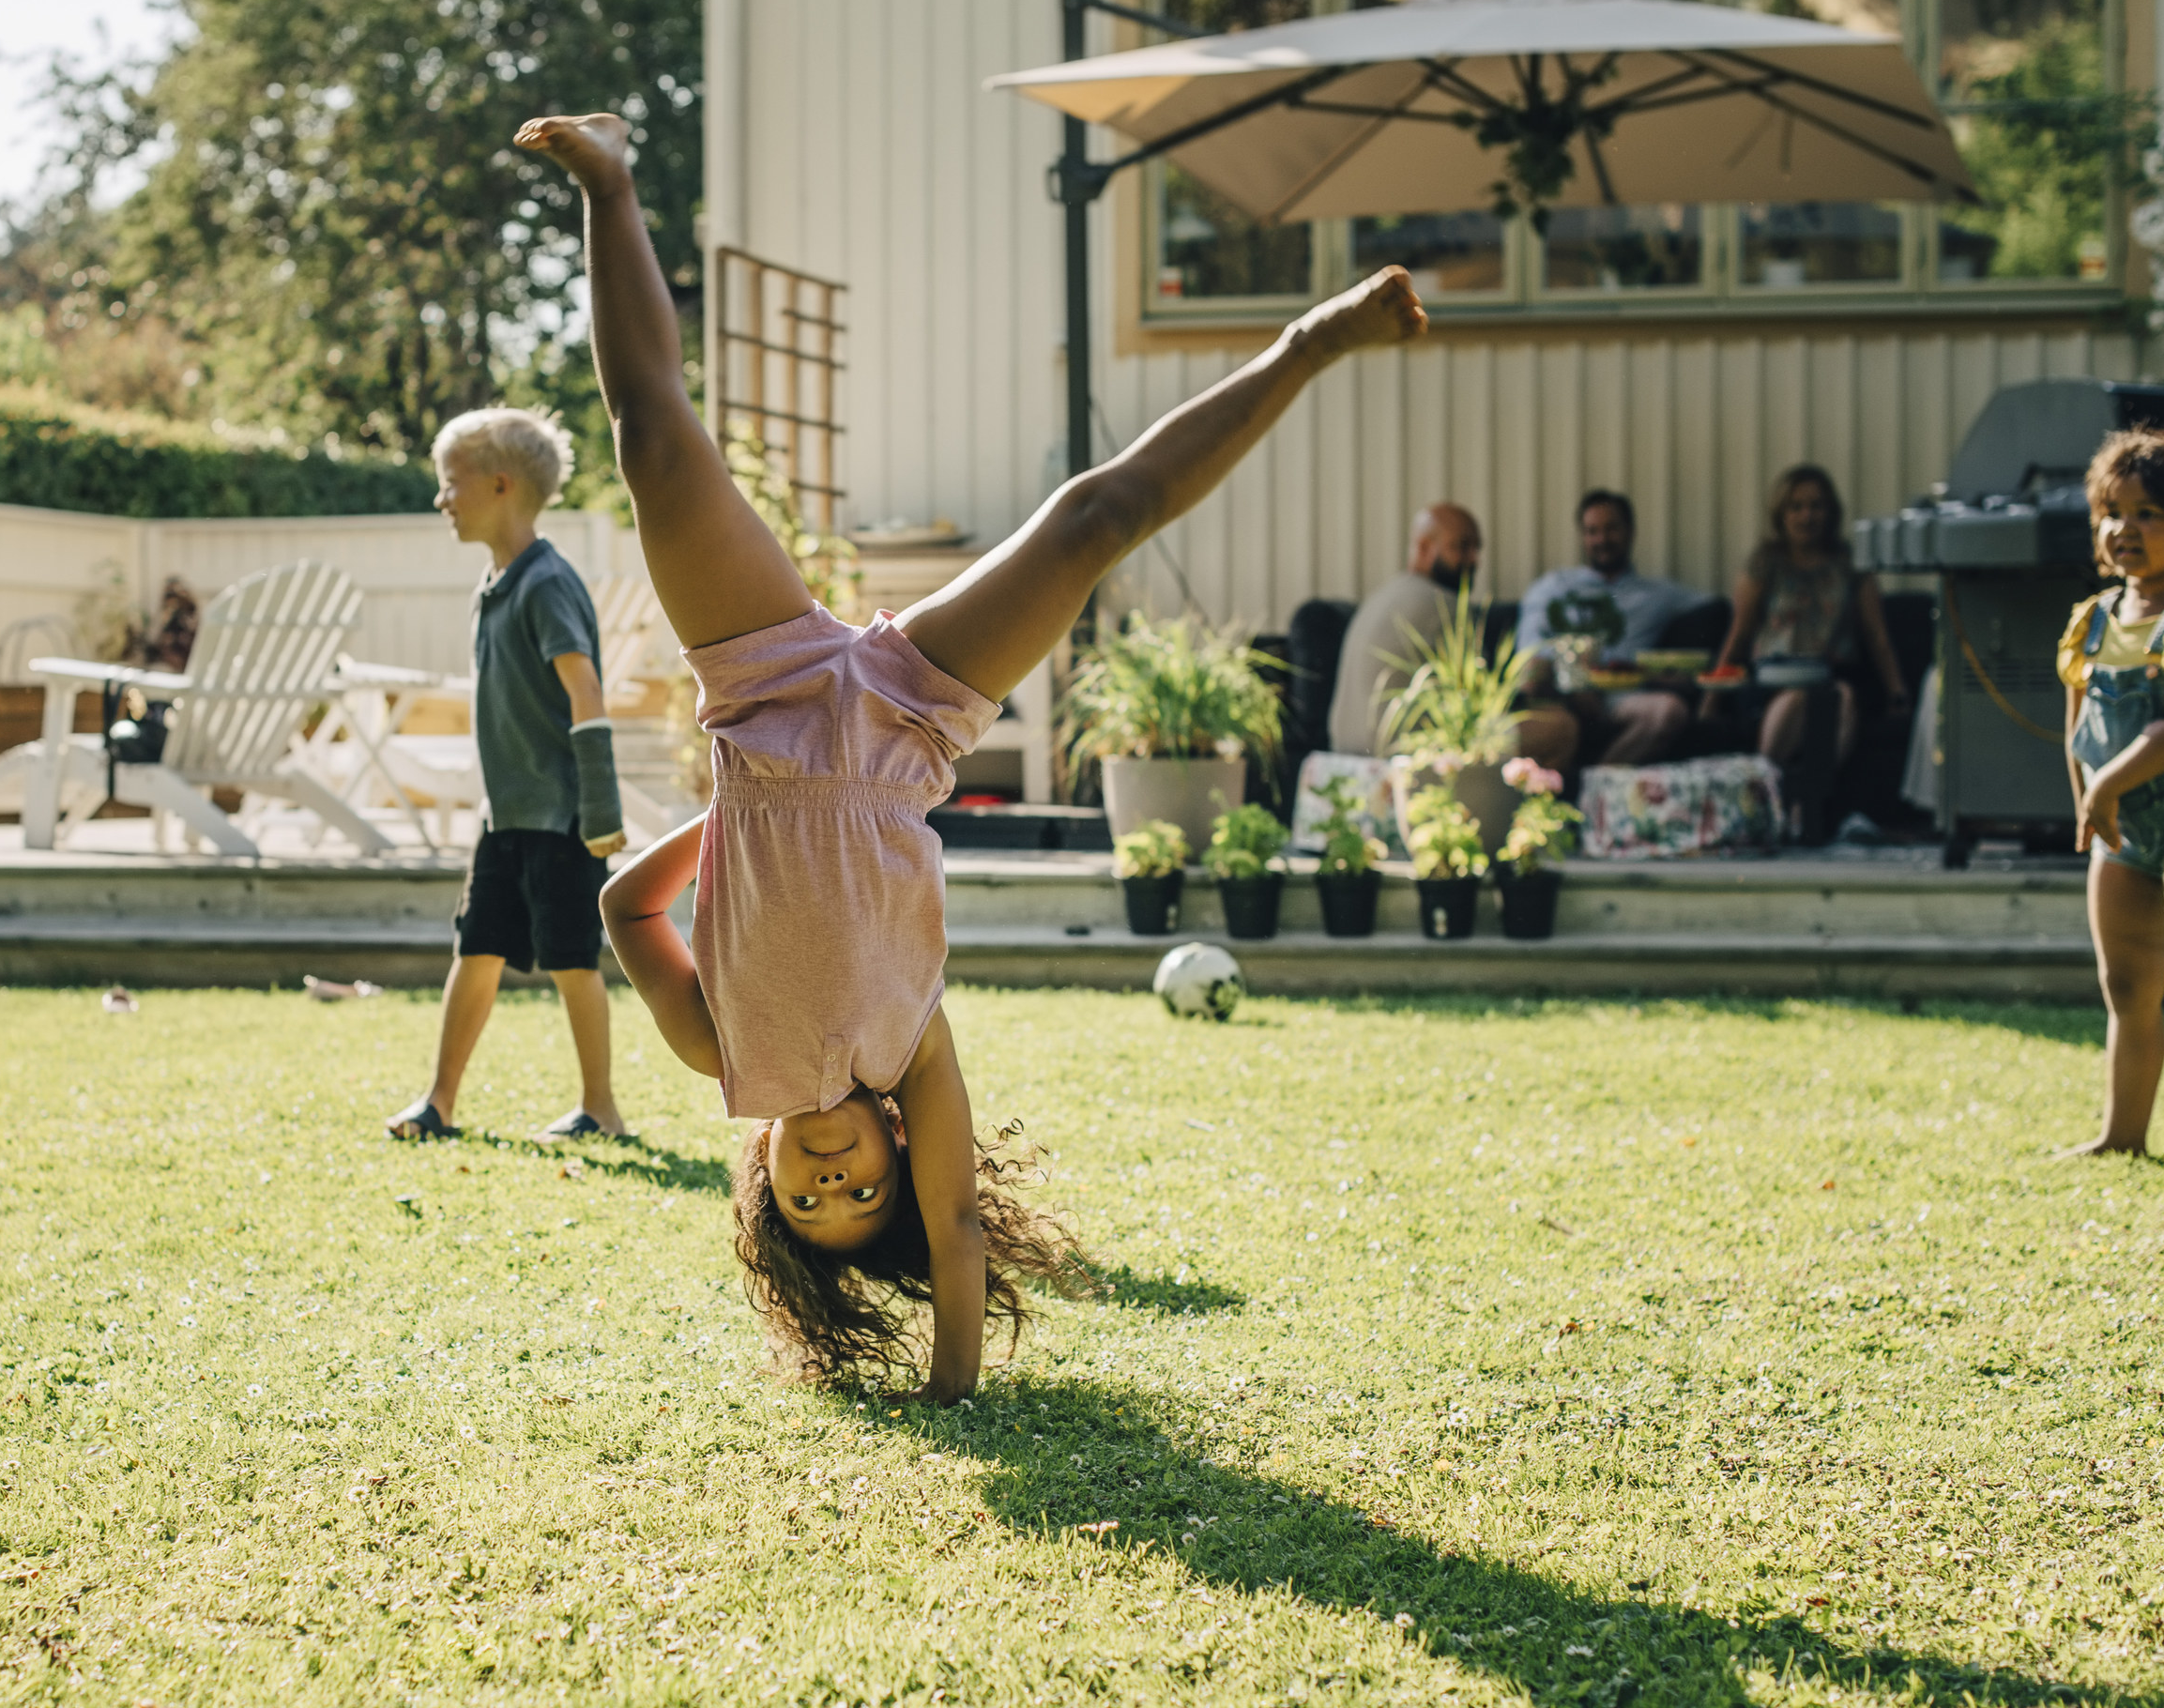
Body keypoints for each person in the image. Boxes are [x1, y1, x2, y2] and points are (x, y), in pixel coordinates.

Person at [520, 108, 1428, 1399]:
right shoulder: (912, 1057)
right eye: (861, 1193)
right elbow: (956, 1227)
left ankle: (608, 181)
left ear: (765, 1177)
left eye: (810, 1199)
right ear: (893, 1147)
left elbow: (625, 902)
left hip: (765, 692)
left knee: (655, 441)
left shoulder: (719, 1057)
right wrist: (953, 1391)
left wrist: (735, 820)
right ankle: (1311, 338)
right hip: (905, 718)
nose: (838, 1185)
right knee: (1096, 517)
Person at [385, 408, 631, 1144]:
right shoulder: (494, 585)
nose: (442, 500)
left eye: (450, 484)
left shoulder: (545, 584)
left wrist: (599, 807)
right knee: (476, 945)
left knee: (571, 958)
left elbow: (586, 692)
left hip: (560, 817)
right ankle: (440, 1103)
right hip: (507, 815)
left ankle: (602, 1109)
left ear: (498, 485)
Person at [2056, 427, 2164, 1157]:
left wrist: (2108, 788)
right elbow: (2077, 729)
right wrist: (2087, 802)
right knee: (2127, 984)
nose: (2126, 528)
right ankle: (2122, 1138)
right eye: (2112, 511)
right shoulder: (2090, 622)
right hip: (2120, 827)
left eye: (2150, 513)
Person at [1328, 501, 1578, 770]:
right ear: (1424, 548)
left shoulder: (1382, 596)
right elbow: (1483, 705)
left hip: (1345, 753)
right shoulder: (1444, 604)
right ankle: (1528, 808)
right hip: (1406, 755)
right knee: (1562, 728)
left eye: (1477, 548)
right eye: (1462, 546)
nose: (1474, 560)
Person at [1704, 464, 1911, 788]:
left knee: (1840, 697)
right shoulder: (1765, 562)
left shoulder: (1849, 564)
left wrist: (1897, 695)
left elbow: (1877, 635)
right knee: (1798, 699)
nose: (1807, 516)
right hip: (1772, 679)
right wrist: (1711, 700)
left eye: (1816, 506)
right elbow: (1739, 634)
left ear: (1830, 512)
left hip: (1834, 675)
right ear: (1781, 514)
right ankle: (1762, 787)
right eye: (1796, 507)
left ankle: (1810, 799)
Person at [1516, 488, 1708, 765]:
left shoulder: (1657, 594)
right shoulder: (1553, 587)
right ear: (1582, 536)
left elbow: (1725, 608)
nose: (1602, 539)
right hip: (1560, 692)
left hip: (1621, 699)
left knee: (1670, 711)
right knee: (1535, 673)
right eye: (1592, 531)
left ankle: (1597, 788)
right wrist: (1577, 681)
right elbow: (1531, 653)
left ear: (1630, 531)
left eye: (1612, 529)